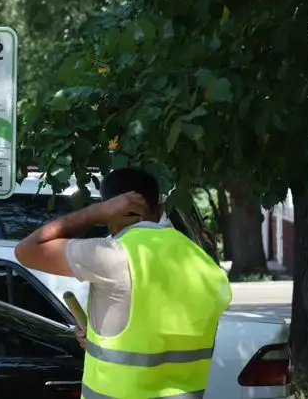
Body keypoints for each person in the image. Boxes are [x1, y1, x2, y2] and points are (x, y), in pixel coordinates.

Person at [14, 167, 232, 398]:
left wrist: (95, 212)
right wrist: (100, 340)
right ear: (159, 209)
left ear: (110, 208)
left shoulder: (113, 255)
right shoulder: (202, 262)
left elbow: (26, 251)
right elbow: (162, 342)